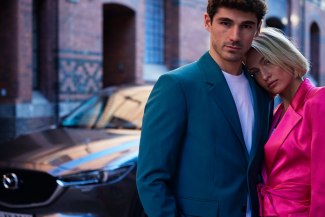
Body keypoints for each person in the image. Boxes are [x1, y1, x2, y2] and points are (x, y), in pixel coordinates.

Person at [136, 1, 273, 217]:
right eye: (225, 23)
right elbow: (151, 178)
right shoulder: (177, 86)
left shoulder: (262, 91)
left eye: (246, 26)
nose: (235, 36)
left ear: (257, 29)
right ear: (207, 22)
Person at [245, 27, 325, 216]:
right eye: (255, 72)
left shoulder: (319, 100)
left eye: (268, 62)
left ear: (285, 55)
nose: (264, 76)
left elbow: (323, 182)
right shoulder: (274, 114)